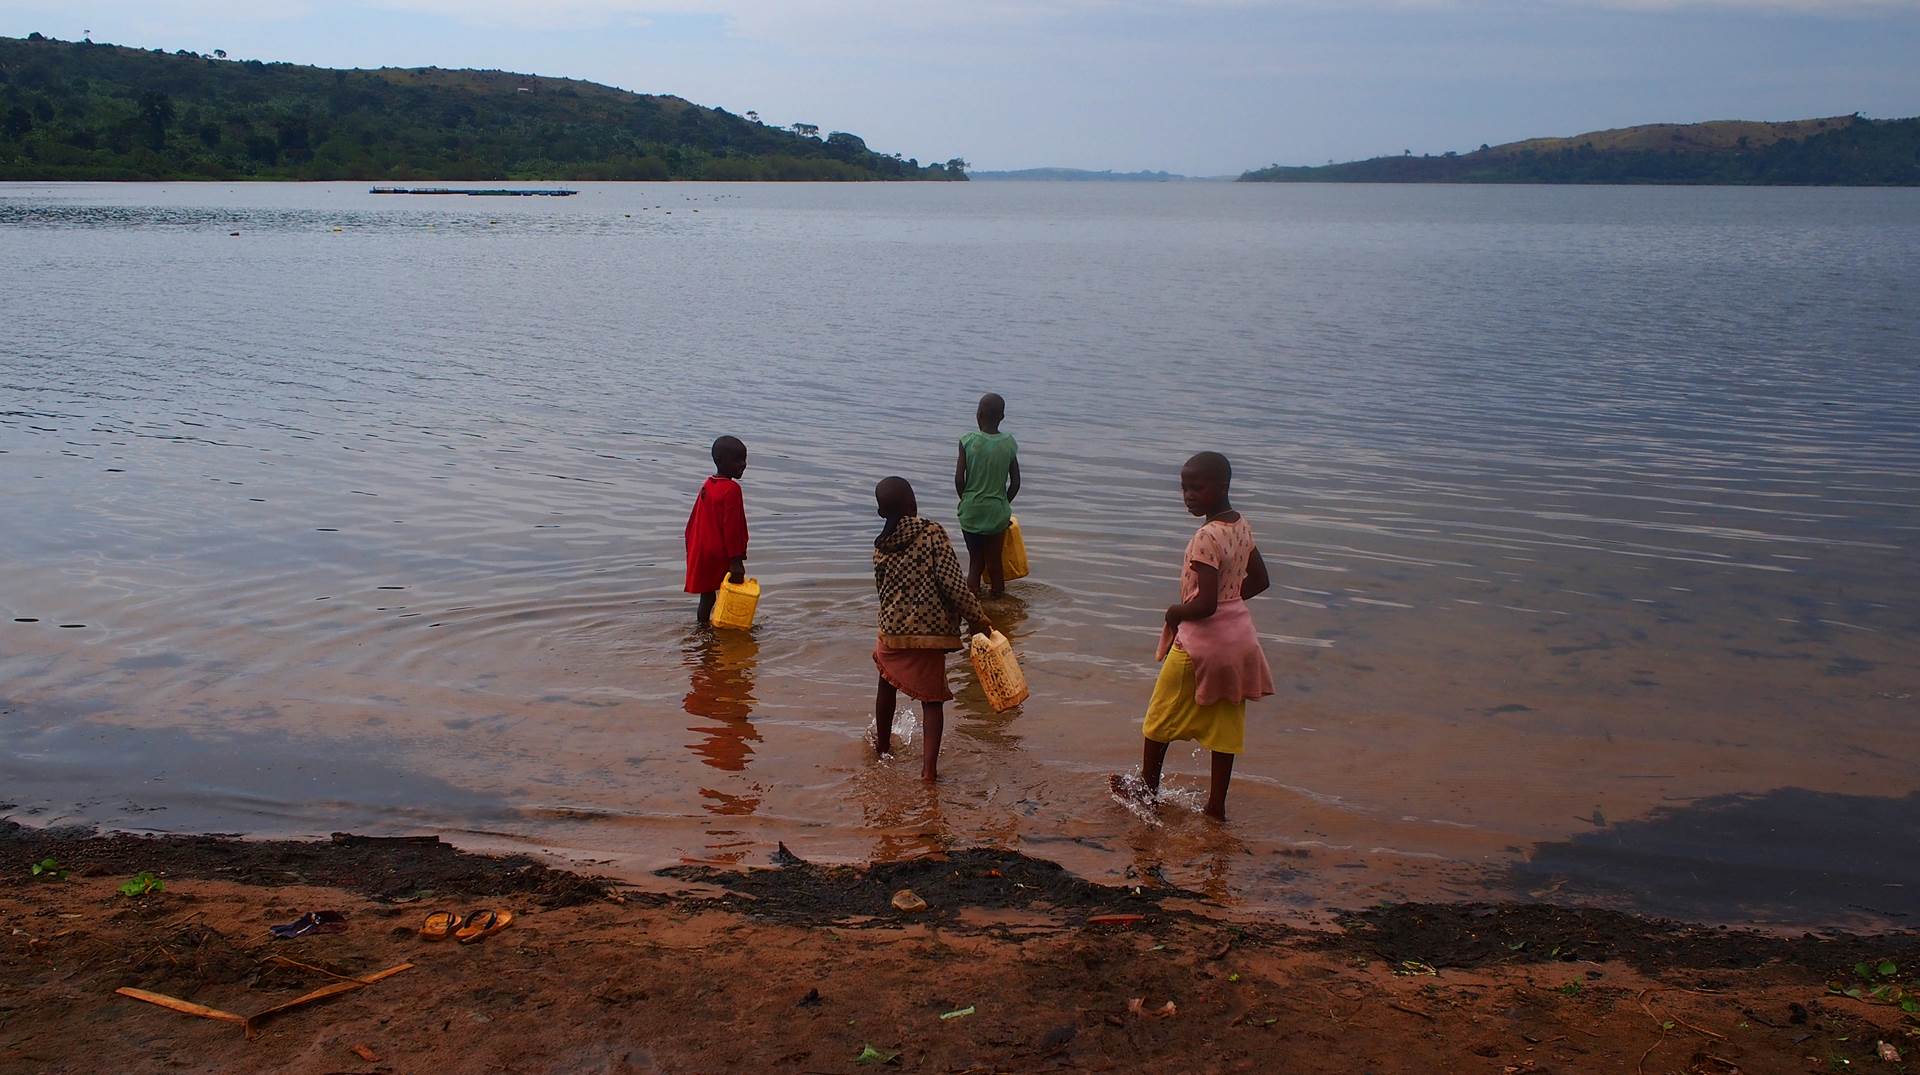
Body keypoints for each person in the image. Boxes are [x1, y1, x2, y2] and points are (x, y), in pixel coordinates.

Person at [1113, 452, 1273, 821]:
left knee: (1158, 719)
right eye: (1184, 487)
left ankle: (1147, 794)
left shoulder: (1206, 537)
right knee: (1226, 724)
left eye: (1197, 488)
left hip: (1201, 644)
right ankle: (1216, 807)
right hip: (1240, 640)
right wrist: (1231, 601)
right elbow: (1260, 580)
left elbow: (1203, 605)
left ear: (1222, 487)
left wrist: (1174, 613)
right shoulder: (1241, 526)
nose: (1188, 495)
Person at [871, 476, 993, 781]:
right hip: (929, 633)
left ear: (881, 513)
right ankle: (928, 772)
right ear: (913, 504)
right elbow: (953, 584)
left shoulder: (880, 547)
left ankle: (882, 749)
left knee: (886, 682)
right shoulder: (931, 533)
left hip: (891, 630)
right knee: (932, 700)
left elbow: (882, 590)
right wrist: (978, 620)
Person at [954, 393, 1021, 596]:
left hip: (971, 510)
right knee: (994, 563)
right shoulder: (1009, 443)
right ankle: (999, 605)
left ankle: (973, 604)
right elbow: (1016, 483)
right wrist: (1003, 504)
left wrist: (966, 500)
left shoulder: (967, 441)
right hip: (996, 512)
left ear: (979, 414)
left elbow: (959, 479)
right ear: (1002, 417)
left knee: (976, 561)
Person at [684, 436, 749, 626]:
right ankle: (725, 625)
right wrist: (736, 560)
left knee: (707, 595)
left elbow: (695, 520)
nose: (743, 465)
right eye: (738, 460)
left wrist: (693, 547)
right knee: (731, 591)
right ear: (721, 461)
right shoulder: (732, 490)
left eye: (745, 459)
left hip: (703, 550)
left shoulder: (708, 485)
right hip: (719, 553)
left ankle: (703, 628)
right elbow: (733, 528)